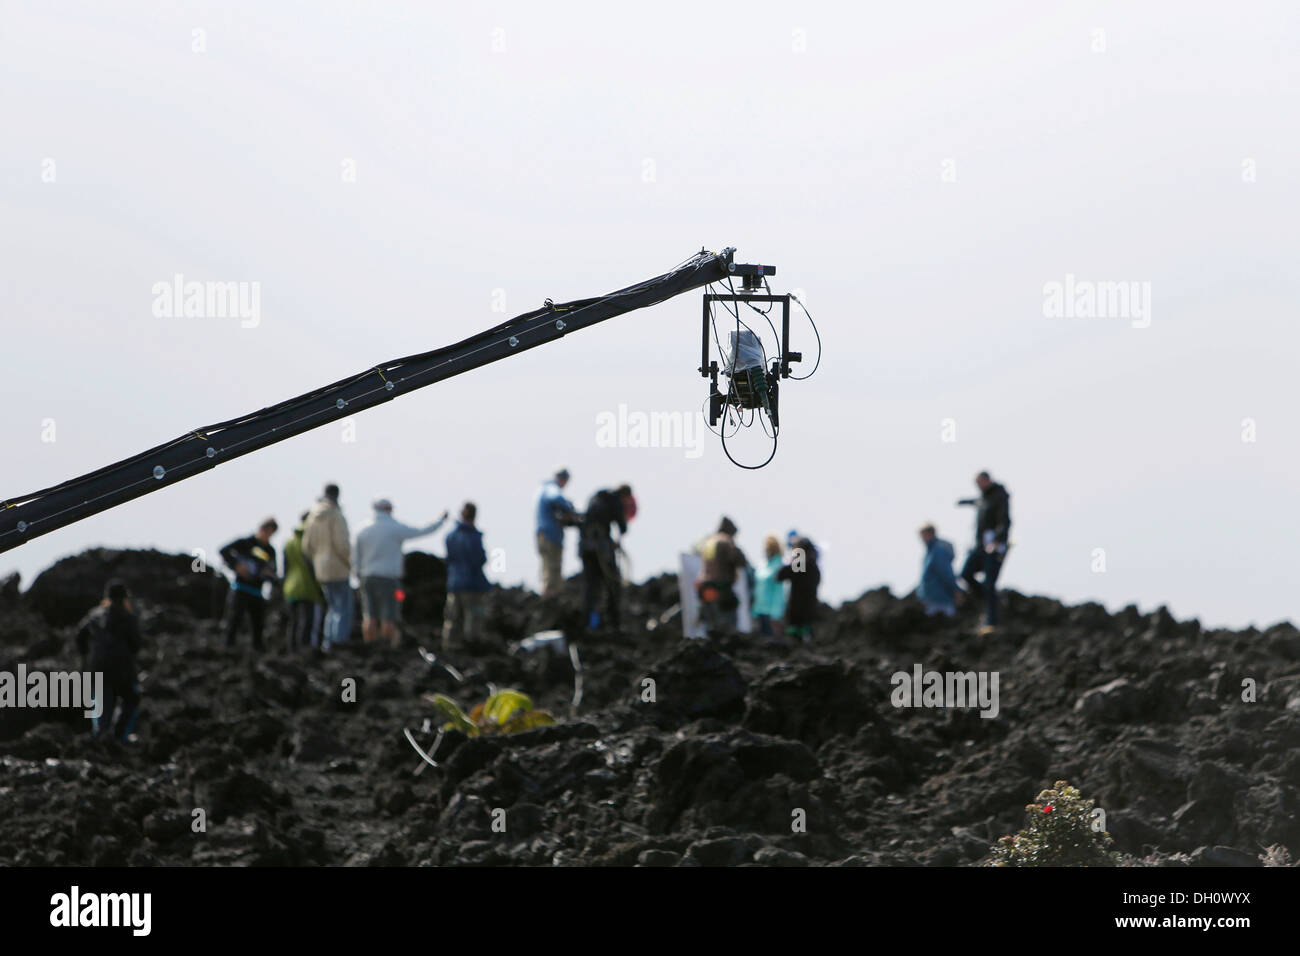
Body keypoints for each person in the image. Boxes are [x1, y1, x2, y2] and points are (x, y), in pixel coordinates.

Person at [354, 499, 448, 647]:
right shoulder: (394, 528)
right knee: (389, 617)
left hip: (368, 577)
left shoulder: (362, 530)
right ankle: (386, 649)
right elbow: (421, 531)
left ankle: (370, 648)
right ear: (388, 509)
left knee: (369, 617)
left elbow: (356, 557)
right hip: (389, 579)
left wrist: (357, 575)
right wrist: (440, 522)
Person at [75, 581, 142, 743]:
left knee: (102, 712)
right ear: (124, 598)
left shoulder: (95, 615)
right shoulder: (127, 617)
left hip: (98, 669)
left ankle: (100, 742)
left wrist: (84, 659)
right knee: (132, 701)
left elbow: (80, 636)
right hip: (123, 671)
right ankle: (119, 738)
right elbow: (136, 645)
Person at [957, 471, 1012, 634]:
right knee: (965, 574)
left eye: (979, 482)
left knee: (989, 583)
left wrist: (998, 540)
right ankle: (994, 600)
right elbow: (978, 502)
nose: (977, 486)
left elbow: (1005, 520)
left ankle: (991, 621)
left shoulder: (999, 496)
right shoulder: (983, 498)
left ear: (987, 481)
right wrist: (964, 502)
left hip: (993, 547)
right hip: (979, 546)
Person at [302, 484, 353, 650]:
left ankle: (327, 644)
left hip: (321, 569)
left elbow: (306, 546)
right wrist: (351, 563)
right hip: (337, 568)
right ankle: (338, 643)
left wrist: (316, 561)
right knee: (342, 608)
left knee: (331, 608)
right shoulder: (335, 515)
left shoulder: (312, 516)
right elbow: (342, 545)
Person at [579, 484, 635, 631]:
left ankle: (588, 623)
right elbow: (622, 526)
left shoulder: (595, 497)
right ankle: (614, 624)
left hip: (585, 547)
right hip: (602, 549)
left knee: (591, 587)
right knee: (613, 585)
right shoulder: (614, 500)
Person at [219, 517, 278, 650]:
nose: (268, 536)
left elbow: (273, 572)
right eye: (267, 531)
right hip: (240, 588)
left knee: (258, 625)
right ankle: (227, 649)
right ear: (261, 528)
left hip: (257, 592)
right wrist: (236, 566)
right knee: (234, 621)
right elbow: (223, 551)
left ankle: (257, 654)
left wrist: (268, 574)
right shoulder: (245, 543)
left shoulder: (270, 551)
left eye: (271, 534)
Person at [442, 502, 491, 649]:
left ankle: (449, 644)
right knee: (473, 615)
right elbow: (480, 559)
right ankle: (471, 645)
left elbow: (449, 558)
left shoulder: (451, 536)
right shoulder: (473, 537)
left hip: (454, 582)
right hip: (471, 583)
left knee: (452, 617)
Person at [694, 516, 750, 633]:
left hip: (705, 589)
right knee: (728, 628)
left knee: (711, 627)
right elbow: (740, 561)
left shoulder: (709, 542)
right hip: (722, 589)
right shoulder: (726, 542)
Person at [282, 512, 326, 650]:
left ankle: (292, 650)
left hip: (290, 586)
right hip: (307, 587)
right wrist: (320, 589)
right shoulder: (309, 542)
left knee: (294, 622)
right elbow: (312, 567)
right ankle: (305, 651)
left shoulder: (289, 541)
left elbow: (285, 568)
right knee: (309, 622)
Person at [535, 468, 577, 597]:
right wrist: (569, 509)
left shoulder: (542, 489)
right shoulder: (552, 489)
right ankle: (551, 598)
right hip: (550, 535)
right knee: (553, 569)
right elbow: (556, 498)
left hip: (542, 534)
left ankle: (547, 595)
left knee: (546, 568)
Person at [777, 535, 821, 642]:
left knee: (796, 638)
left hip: (797, 611)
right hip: (810, 609)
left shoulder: (801, 563)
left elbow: (780, 575)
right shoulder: (814, 565)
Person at [917, 522, 959, 617]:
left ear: (931, 534)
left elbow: (946, 573)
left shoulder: (938, 551)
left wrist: (955, 590)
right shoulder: (930, 551)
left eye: (923, 535)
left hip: (940, 599)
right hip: (931, 598)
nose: (921, 539)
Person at [752, 534, 788, 637]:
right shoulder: (763, 564)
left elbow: (780, 591)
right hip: (759, 610)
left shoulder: (779, 565)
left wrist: (776, 613)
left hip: (771, 612)